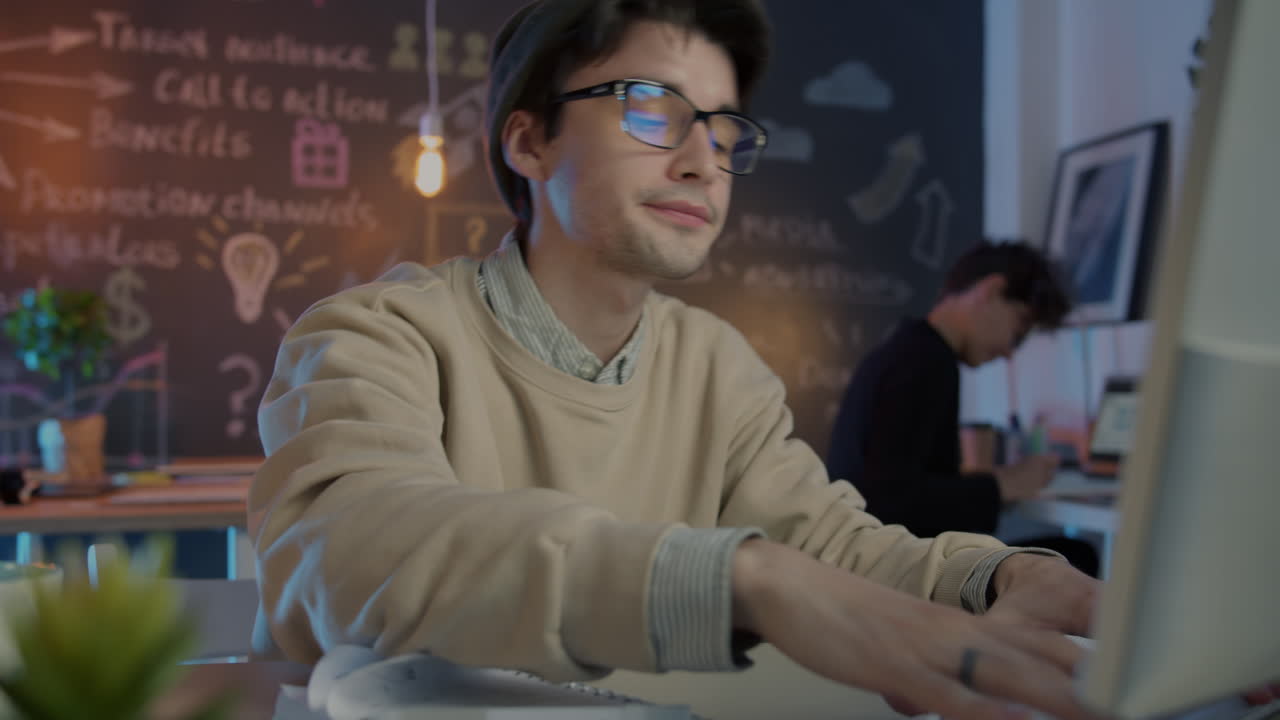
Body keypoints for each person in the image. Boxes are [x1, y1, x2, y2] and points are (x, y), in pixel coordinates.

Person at [250, 3, 1106, 719]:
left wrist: (994, 577)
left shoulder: (719, 366)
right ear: (529, 142)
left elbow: (834, 546)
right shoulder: (376, 332)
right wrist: (738, 577)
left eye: (725, 131)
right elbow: (350, 551)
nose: (704, 162)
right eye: (653, 110)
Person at [826, 241, 1100, 576]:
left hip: (875, 565)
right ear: (991, 290)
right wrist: (1003, 484)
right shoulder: (924, 361)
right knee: (1075, 560)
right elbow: (889, 502)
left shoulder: (910, 350)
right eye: (1019, 328)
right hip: (896, 573)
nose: (1009, 351)